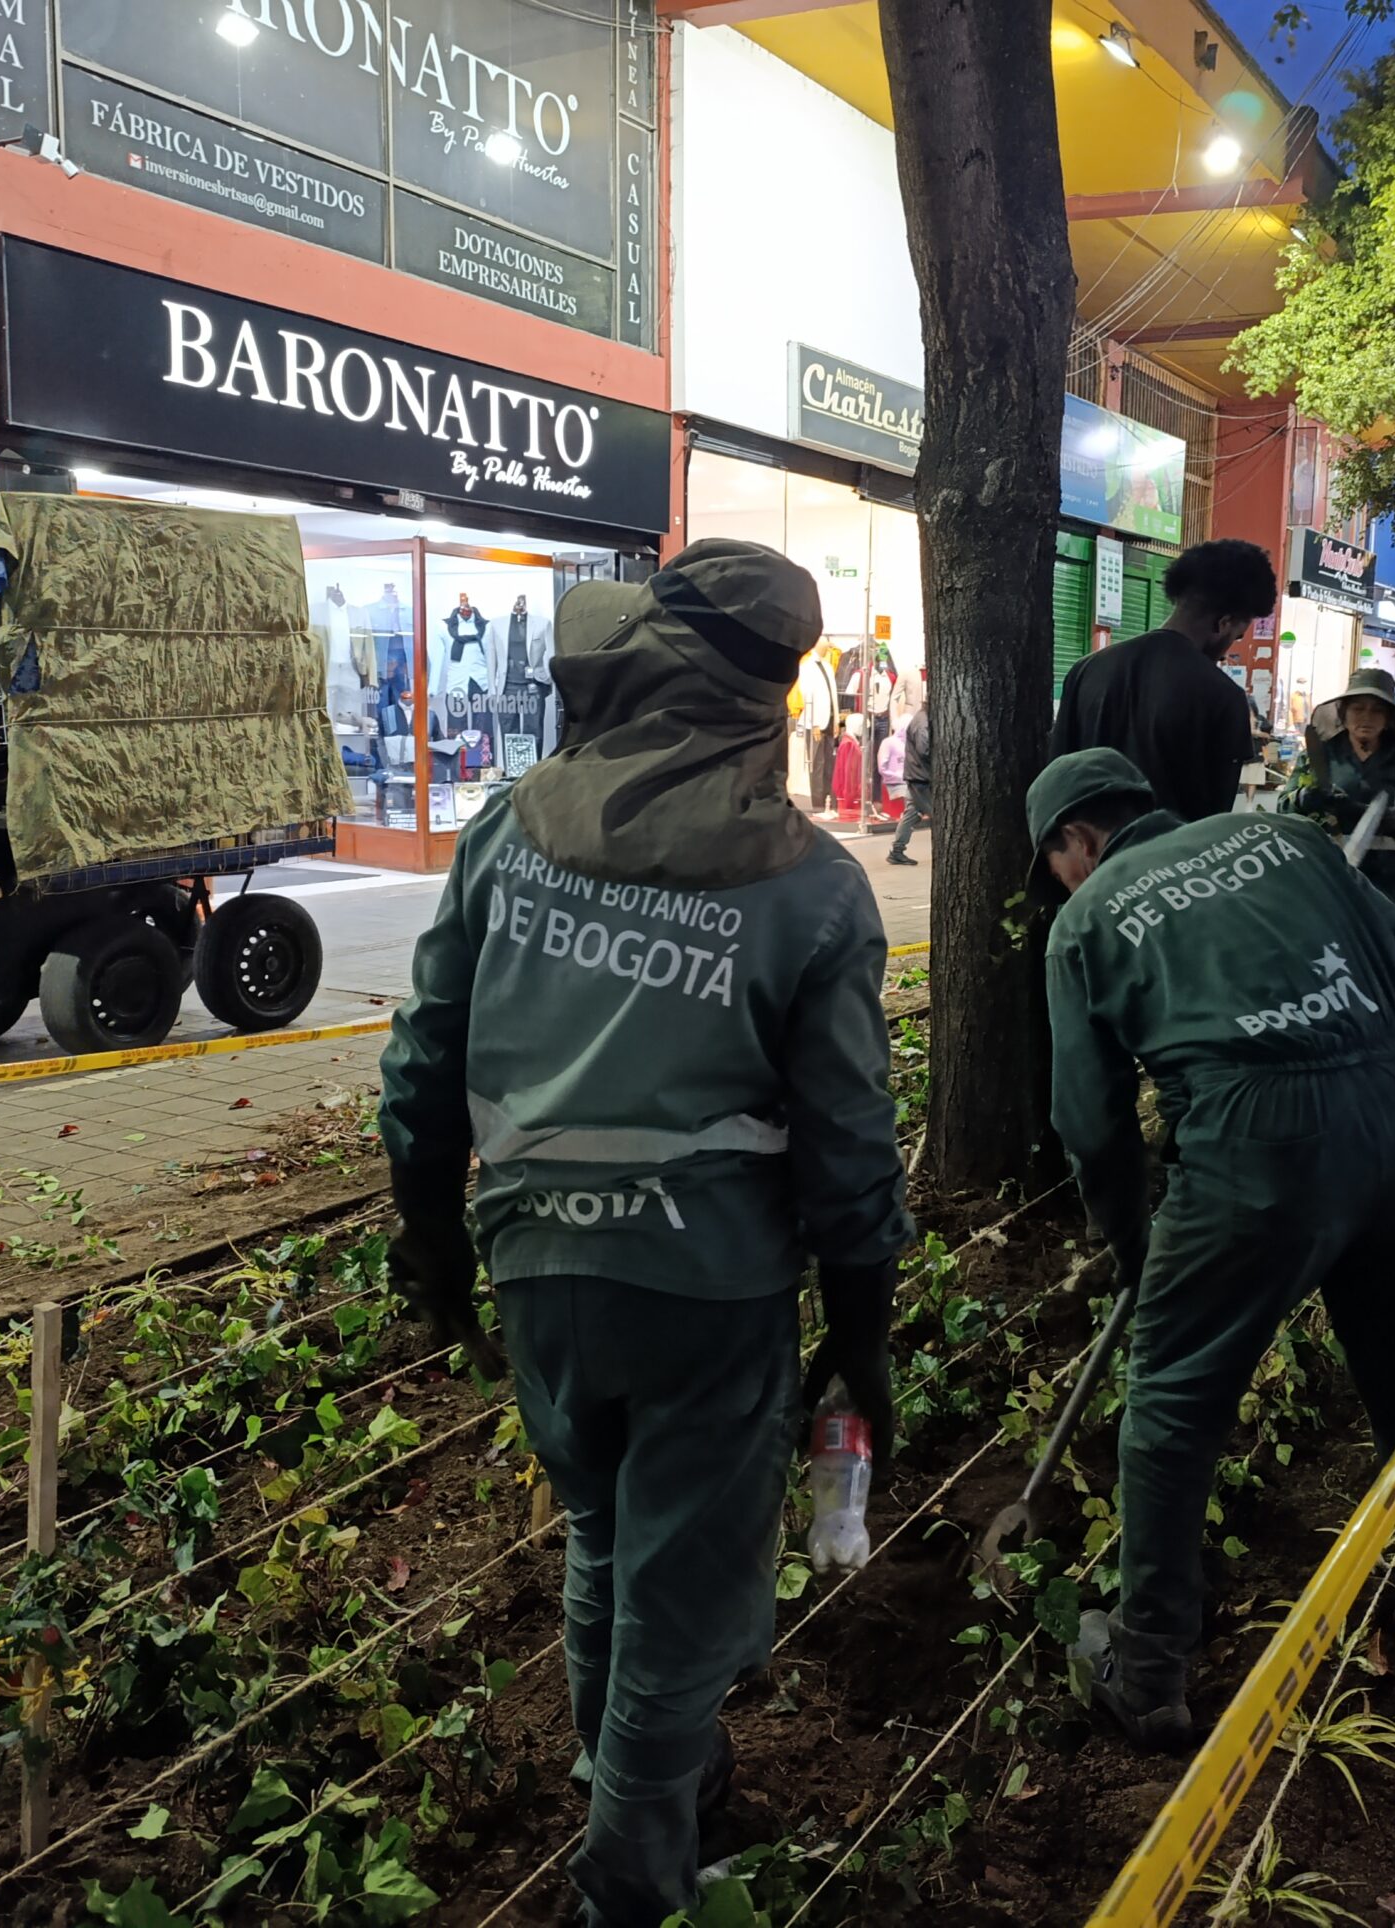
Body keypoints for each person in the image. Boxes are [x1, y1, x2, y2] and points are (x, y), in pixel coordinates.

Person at [379, 540, 910, 1928]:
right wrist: (862, 1336)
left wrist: (432, 1240)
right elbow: (850, 1143)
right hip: (706, 1289)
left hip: (537, 1265)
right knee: (677, 1605)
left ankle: (636, 1777)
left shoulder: (510, 827)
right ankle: (629, 1879)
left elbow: (425, 1056)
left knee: (605, 1538)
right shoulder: (812, 888)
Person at [1030, 748, 1395, 1745]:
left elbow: (1090, 1122)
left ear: (1075, 840)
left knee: (1171, 1406)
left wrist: (1133, 1246)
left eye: (1056, 867)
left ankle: (1149, 1666)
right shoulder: (1289, 837)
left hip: (1257, 1155)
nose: (1065, 883)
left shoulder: (1085, 920)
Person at [1048, 538, 1278, 822]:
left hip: (1086, 848)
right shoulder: (1223, 696)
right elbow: (1212, 818)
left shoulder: (1086, 670)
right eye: (1237, 636)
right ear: (1223, 623)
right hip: (1176, 849)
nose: (1228, 648)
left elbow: (1056, 778)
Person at [1296, 666, 1395, 911]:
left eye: (1377, 710)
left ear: (1388, 717)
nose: (1367, 717)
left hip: (1390, 888)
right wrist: (1303, 798)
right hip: (1329, 880)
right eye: (1358, 709)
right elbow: (1284, 807)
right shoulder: (1321, 755)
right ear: (1343, 713)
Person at [884, 700, 932, 866]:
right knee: (937, 813)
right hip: (921, 776)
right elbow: (925, 749)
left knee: (911, 813)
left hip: (916, 774)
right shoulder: (923, 721)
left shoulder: (921, 718)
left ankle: (897, 851)